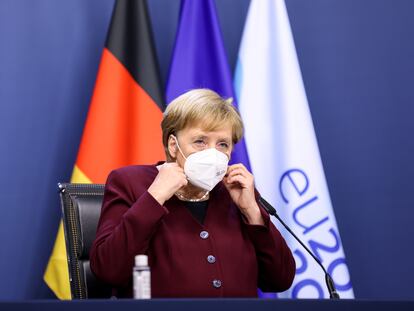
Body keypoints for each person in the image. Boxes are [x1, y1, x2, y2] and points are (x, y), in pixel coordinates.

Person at [90, 89, 296, 298]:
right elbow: (108, 271)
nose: (212, 153)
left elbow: (280, 279)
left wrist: (252, 211)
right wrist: (155, 197)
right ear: (173, 145)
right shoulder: (130, 182)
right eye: (200, 141)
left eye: (222, 144)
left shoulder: (235, 192)